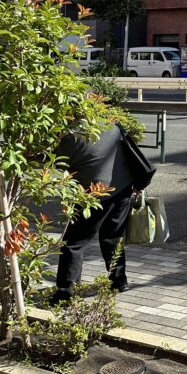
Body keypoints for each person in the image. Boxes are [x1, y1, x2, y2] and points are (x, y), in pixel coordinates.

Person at [51, 123, 135, 303]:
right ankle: (119, 281)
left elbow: (60, 163)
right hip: (121, 189)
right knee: (113, 238)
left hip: (92, 195)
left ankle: (65, 291)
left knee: (74, 243)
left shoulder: (70, 135)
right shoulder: (114, 127)